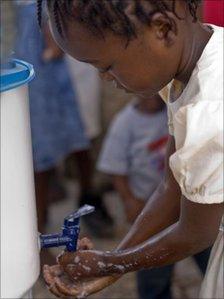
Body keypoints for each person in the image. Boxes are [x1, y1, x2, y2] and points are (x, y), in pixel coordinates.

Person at [38, 1, 223, 298]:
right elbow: (171, 188)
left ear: (163, 29)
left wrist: (111, 264)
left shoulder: (209, 109)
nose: (105, 79)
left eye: (107, 66)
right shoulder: (197, 61)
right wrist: (114, 261)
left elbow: (196, 233)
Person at [15, 1, 113, 241]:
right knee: (40, 148)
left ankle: (89, 197)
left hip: (66, 45)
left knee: (81, 136)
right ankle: (39, 226)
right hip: (33, 54)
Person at [98, 94, 211, 299]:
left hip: (191, 205)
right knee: (153, 272)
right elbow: (116, 168)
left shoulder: (175, 113)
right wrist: (129, 200)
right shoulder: (125, 123)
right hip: (151, 212)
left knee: (210, 260)